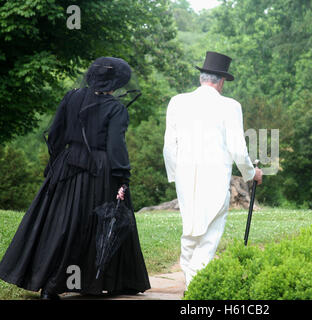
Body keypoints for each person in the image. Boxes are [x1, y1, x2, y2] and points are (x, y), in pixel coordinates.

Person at [0, 57, 150, 299]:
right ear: (116, 81)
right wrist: (123, 179)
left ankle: (52, 284)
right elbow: (116, 148)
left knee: (62, 224)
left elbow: (56, 133)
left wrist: (55, 167)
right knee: (99, 223)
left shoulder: (72, 97)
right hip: (100, 171)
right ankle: (97, 280)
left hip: (68, 164)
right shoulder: (115, 108)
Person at [163, 51, 263, 290]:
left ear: (202, 78)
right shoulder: (230, 106)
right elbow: (238, 149)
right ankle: (195, 287)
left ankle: (189, 281)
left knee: (190, 230)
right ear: (220, 81)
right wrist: (251, 174)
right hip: (215, 177)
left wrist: (176, 175)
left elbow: (169, 146)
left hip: (185, 176)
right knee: (209, 234)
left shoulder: (177, 101)